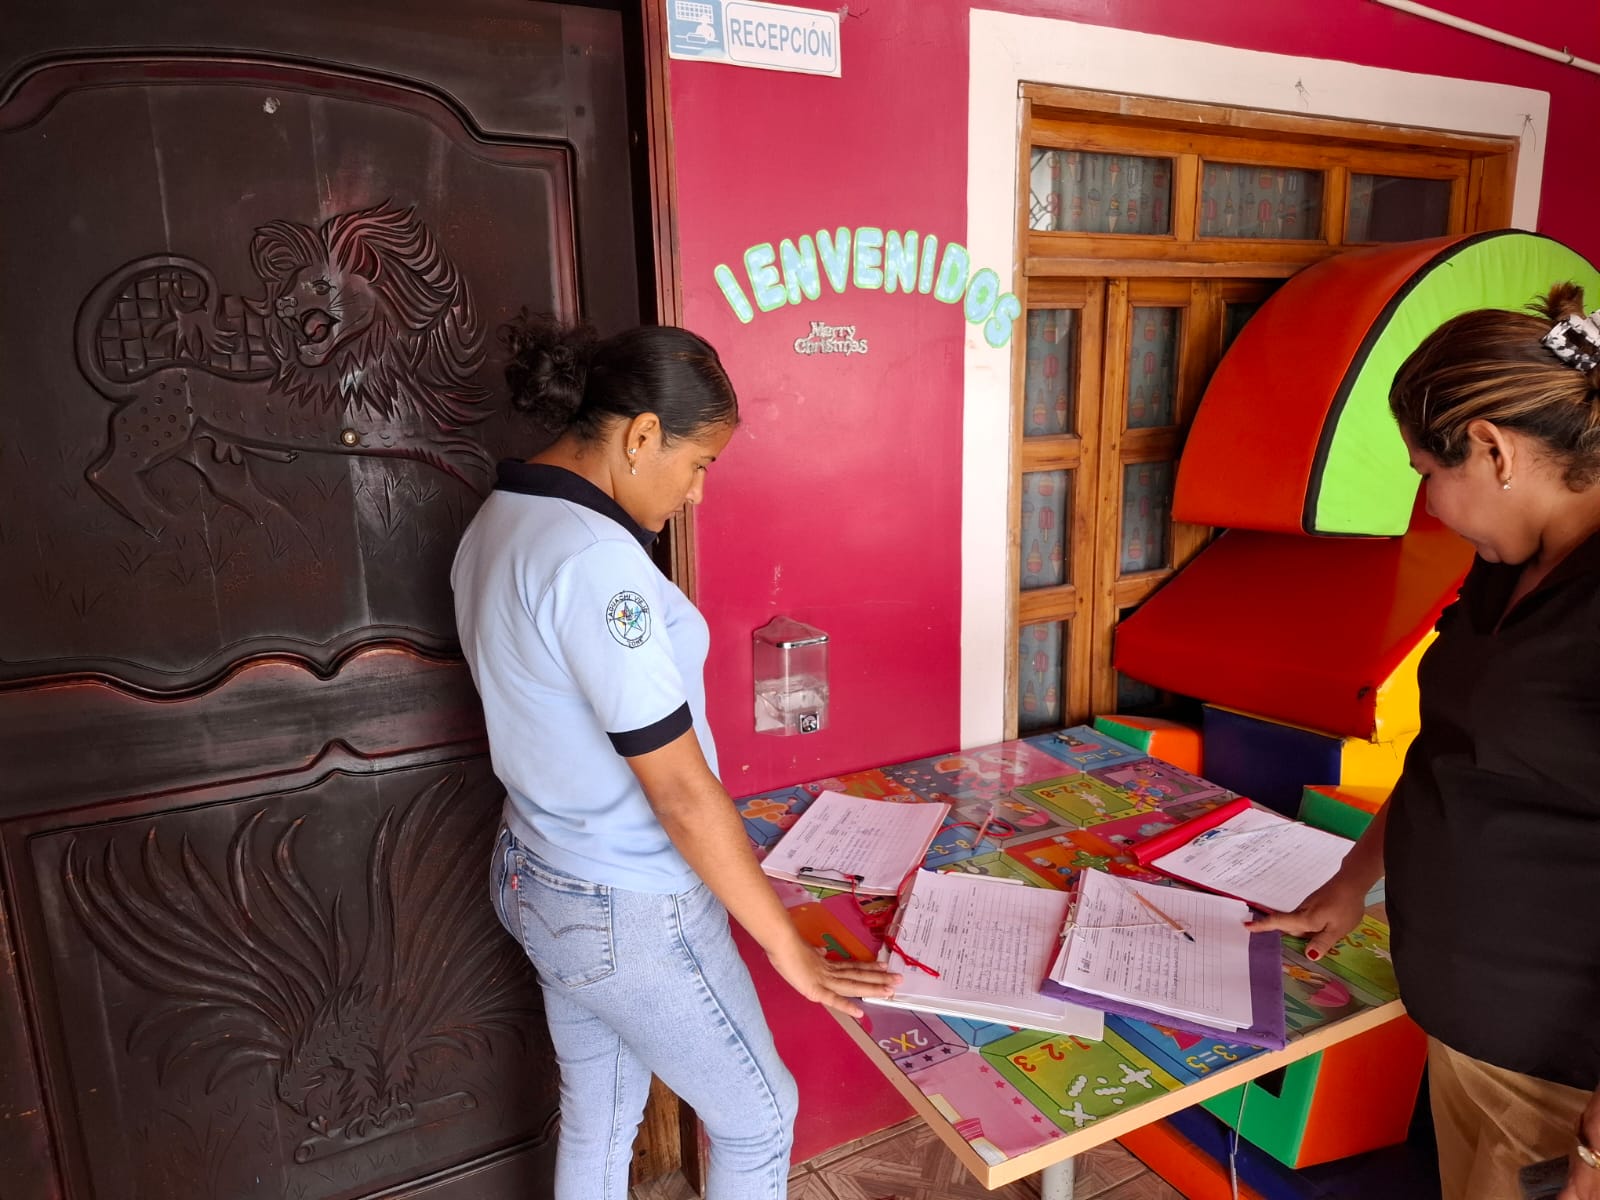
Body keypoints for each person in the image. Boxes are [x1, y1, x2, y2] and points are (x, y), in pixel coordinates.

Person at [451, 314, 900, 1200]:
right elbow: (682, 793)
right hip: (622, 900)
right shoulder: (594, 562)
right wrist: (787, 949)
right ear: (642, 435)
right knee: (759, 1117)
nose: (697, 493)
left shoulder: (502, 518)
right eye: (699, 464)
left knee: (602, 1112)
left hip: (538, 867)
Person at [1251, 283, 1600, 1200]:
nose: (1428, 502)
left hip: (1562, 1083)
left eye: (1425, 471)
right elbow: (1449, 755)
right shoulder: (1510, 564)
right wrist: (1353, 881)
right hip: (1474, 1037)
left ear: (1492, 448)